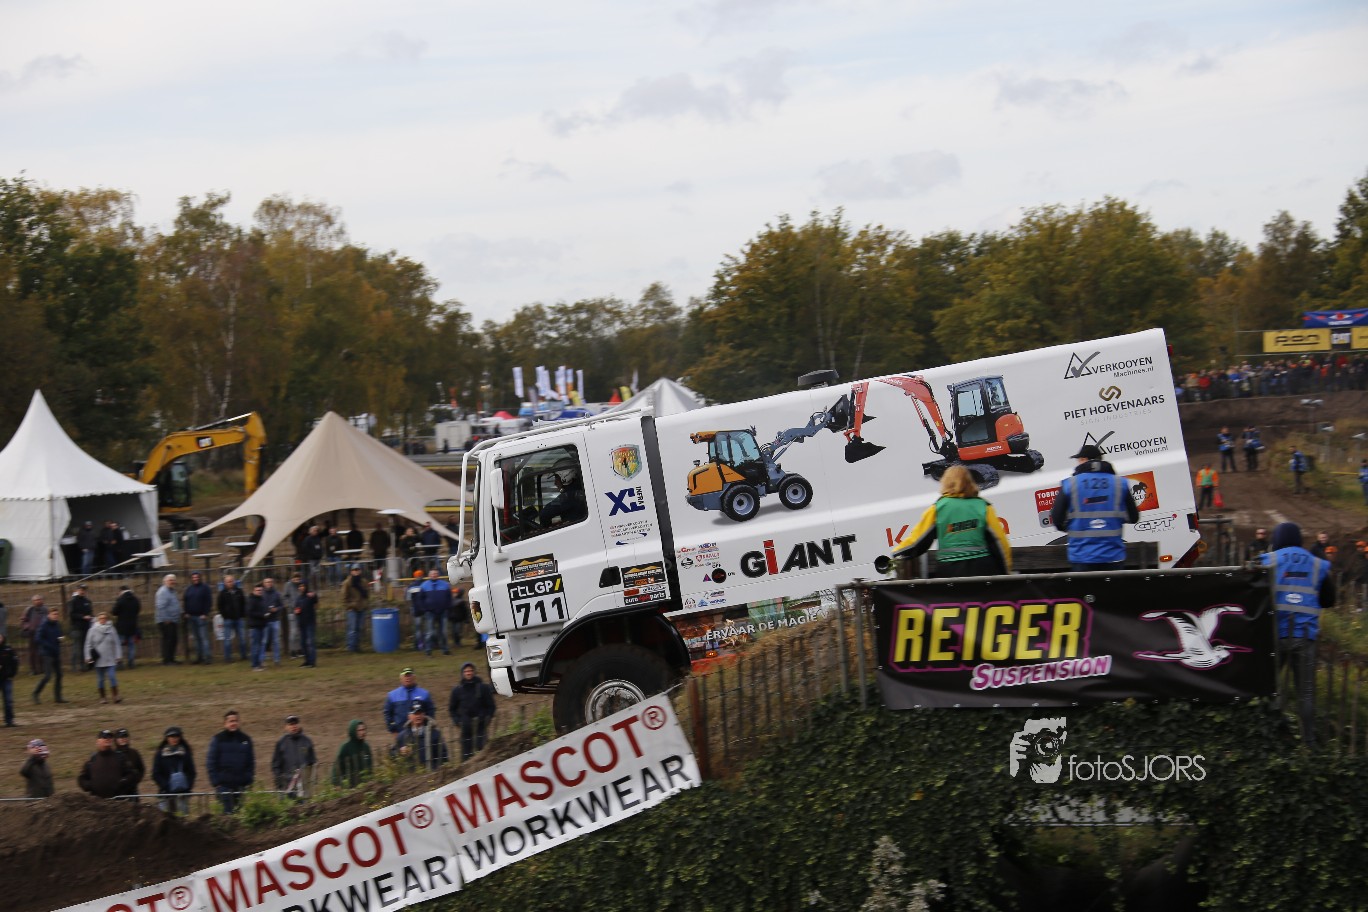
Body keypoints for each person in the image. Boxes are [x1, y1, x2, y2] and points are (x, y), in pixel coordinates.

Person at [1260, 522, 1336, 746]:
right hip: (1305, 636)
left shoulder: (1267, 561)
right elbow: (1329, 600)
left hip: (1275, 635)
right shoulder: (1317, 563)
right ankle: (1309, 744)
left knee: (1269, 688)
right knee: (1306, 692)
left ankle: (1268, 740)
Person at [891, 466, 1012, 577]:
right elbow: (1000, 542)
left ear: (945, 482)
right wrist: (1006, 571)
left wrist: (896, 553)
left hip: (950, 571)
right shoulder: (983, 506)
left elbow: (917, 540)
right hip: (982, 570)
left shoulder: (938, 508)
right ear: (970, 482)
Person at [1050, 443, 1140, 572]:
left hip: (1082, 558)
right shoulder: (1120, 483)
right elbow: (1134, 517)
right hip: (1113, 556)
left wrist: (1071, 528)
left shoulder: (1070, 484)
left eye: (1079, 460)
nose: (1078, 463)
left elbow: (1057, 518)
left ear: (1085, 460)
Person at [206, 709, 255, 813]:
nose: (233, 723)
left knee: (240, 815)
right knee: (226, 816)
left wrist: (248, 779)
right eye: (231, 721)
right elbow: (211, 762)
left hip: (240, 785)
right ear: (225, 723)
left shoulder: (246, 739)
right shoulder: (218, 739)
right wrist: (216, 783)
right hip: (224, 786)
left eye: (235, 721)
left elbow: (251, 762)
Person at [448, 662, 496, 761]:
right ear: (462, 673)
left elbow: (491, 706)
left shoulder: (483, 688)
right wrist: (458, 721)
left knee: (483, 754)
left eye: (470, 671)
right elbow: (452, 709)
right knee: (466, 756)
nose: (468, 673)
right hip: (466, 727)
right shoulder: (457, 690)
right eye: (466, 671)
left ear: (474, 672)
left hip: (481, 725)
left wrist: (487, 717)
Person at [78, 729, 137, 798]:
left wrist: (122, 783)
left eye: (110, 737)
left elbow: (132, 774)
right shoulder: (93, 758)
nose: (108, 739)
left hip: (118, 801)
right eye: (104, 737)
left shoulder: (120, 757)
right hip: (96, 801)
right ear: (98, 741)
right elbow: (82, 777)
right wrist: (89, 786)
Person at [151, 726, 195, 815]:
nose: (174, 739)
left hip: (182, 794)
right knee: (165, 818)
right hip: (165, 793)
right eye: (172, 736)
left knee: (182, 819)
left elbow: (192, 772)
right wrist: (166, 786)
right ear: (167, 738)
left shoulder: (186, 753)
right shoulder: (160, 754)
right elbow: (156, 774)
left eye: (177, 736)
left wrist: (187, 786)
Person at [271, 714, 317, 798]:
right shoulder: (281, 742)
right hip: (287, 786)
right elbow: (276, 765)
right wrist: (279, 781)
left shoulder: (307, 741)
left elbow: (312, 763)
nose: (293, 726)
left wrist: (312, 782)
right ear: (286, 727)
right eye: (291, 724)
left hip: (303, 786)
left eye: (295, 723)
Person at [392, 702, 449, 770]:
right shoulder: (402, 736)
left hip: (432, 772)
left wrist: (438, 769)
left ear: (424, 715)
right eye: (415, 714)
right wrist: (400, 752)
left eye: (420, 713)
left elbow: (443, 755)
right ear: (409, 716)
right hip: (411, 774)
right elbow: (393, 755)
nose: (418, 716)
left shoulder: (435, 734)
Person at [84, 611, 123, 704]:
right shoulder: (92, 630)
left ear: (107, 619)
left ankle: (115, 695)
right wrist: (88, 657)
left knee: (112, 676)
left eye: (104, 618)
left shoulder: (111, 629)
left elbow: (117, 643)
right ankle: (103, 697)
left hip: (110, 658)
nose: (103, 620)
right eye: (101, 618)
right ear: (98, 620)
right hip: (98, 659)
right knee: (100, 679)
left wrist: (118, 655)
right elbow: (88, 644)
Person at [383, 668, 435, 735]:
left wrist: (429, 727)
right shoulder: (392, 695)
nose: (408, 678)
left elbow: (431, 712)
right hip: (400, 733)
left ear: (414, 677)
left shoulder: (424, 693)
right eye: (405, 676)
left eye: (410, 675)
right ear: (401, 678)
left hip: (421, 733)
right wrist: (393, 730)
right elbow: (387, 713)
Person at [32, 608, 66, 704]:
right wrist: (48, 645)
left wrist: (61, 638)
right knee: (47, 676)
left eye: (57, 614)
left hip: (56, 652)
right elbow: (38, 638)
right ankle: (36, 693)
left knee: (59, 675)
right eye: (54, 614)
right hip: (47, 653)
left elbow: (59, 635)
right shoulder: (44, 625)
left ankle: (58, 697)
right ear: (49, 615)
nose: (56, 616)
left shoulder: (57, 624)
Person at [183, 571, 214, 664]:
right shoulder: (189, 588)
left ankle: (207, 658)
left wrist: (205, 613)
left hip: (201, 617)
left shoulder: (205, 588)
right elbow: (185, 601)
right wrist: (186, 612)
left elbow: (209, 601)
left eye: (197, 577)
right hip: (191, 617)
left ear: (200, 578)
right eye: (193, 577)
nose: (195, 579)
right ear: (191, 579)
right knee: (196, 639)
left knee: (204, 638)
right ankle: (199, 657)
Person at [419, 569, 452, 656]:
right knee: (429, 633)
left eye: (435, 574)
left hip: (443, 612)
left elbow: (449, 598)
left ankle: (445, 649)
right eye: (432, 574)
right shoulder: (424, 585)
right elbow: (420, 599)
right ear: (429, 575)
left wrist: (447, 607)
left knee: (444, 632)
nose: (434, 575)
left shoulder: (445, 585)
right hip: (430, 613)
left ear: (438, 575)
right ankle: (428, 650)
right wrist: (425, 609)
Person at [332, 720, 374, 787]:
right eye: (359, 730)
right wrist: (336, 783)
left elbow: (370, 765)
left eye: (363, 729)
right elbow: (337, 766)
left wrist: (370, 778)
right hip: (349, 785)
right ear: (353, 731)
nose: (363, 732)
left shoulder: (366, 746)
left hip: (365, 784)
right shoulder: (345, 747)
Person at [217, 574, 248, 662]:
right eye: (228, 582)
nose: (230, 583)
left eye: (231, 581)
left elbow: (243, 603)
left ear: (234, 581)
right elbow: (219, 606)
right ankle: (228, 658)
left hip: (239, 619)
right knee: (227, 640)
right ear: (224, 583)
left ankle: (244, 656)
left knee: (242, 639)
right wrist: (225, 616)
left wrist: (242, 615)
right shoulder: (222, 593)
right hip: (228, 620)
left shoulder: (239, 591)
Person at [112, 585, 141, 669]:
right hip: (133, 625)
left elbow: (114, 612)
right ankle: (131, 662)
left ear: (121, 591)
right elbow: (138, 610)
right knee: (131, 645)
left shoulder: (121, 600)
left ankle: (119, 662)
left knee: (120, 645)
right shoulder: (136, 599)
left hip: (122, 625)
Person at [342, 565, 369, 652]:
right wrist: (348, 607)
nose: (356, 571)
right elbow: (344, 597)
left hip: (362, 607)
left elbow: (366, 594)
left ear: (360, 571)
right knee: (352, 629)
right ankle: (351, 647)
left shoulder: (364, 582)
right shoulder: (347, 583)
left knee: (359, 628)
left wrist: (365, 605)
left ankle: (357, 647)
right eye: (354, 570)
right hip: (352, 609)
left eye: (358, 569)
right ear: (351, 571)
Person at [155, 574, 181, 665]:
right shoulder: (163, 591)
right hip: (166, 621)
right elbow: (160, 606)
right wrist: (166, 618)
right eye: (170, 580)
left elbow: (174, 604)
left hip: (173, 620)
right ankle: (167, 660)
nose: (172, 582)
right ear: (165, 581)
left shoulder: (172, 591)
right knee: (168, 640)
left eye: (173, 580)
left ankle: (171, 658)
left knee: (173, 640)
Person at [67, 584, 94, 672]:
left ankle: (83, 665)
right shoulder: (73, 601)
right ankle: (75, 666)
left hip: (86, 627)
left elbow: (90, 612)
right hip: (76, 628)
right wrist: (82, 617)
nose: (82, 591)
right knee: (77, 647)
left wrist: (91, 617)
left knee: (84, 647)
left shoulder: (87, 601)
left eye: (84, 590)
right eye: (81, 590)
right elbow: (71, 614)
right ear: (77, 590)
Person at [114, 727, 145, 797]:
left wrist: (136, 780)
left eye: (125, 736)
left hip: (132, 790)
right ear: (116, 739)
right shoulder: (113, 754)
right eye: (120, 737)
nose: (123, 739)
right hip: (118, 791)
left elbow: (141, 769)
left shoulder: (134, 753)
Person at [261, 577, 285, 666]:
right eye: (267, 582)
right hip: (264, 621)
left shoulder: (277, 593)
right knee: (264, 641)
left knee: (276, 641)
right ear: (264, 583)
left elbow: (282, 606)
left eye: (270, 582)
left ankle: (277, 659)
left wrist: (276, 609)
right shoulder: (261, 593)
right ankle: (262, 659)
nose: (269, 583)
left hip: (275, 620)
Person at [246, 583, 269, 672]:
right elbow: (250, 612)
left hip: (261, 625)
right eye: (257, 590)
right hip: (255, 626)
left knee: (259, 646)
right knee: (255, 646)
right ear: (254, 591)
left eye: (261, 590)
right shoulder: (251, 600)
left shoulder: (261, 599)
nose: (259, 592)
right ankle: (255, 665)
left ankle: (259, 663)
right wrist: (262, 615)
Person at [21, 596, 48, 676]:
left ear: (42, 600)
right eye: (36, 600)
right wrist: (28, 627)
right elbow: (24, 620)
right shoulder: (29, 610)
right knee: (32, 652)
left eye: (39, 599)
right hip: (32, 633)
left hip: (42, 633)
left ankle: (42, 668)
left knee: (42, 651)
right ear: (33, 601)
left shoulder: (45, 609)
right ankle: (33, 669)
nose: (38, 601)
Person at [295, 583, 319, 668]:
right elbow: (297, 608)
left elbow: (316, 601)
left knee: (310, 642)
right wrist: (297, 611)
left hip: (310, 622)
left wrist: (314, 595)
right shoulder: (298, 598)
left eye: (303, 586)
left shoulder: (310, 595)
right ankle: (307, 661)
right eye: (300, 586)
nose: (301, 588)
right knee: (303, 643)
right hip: (302, 623)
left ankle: (312, 662)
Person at [0, 633, 19, 726]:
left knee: (8, 700)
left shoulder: (8, 649)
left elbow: (15, 662)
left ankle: (9, 721)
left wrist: (12, 674)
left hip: (6, 679)